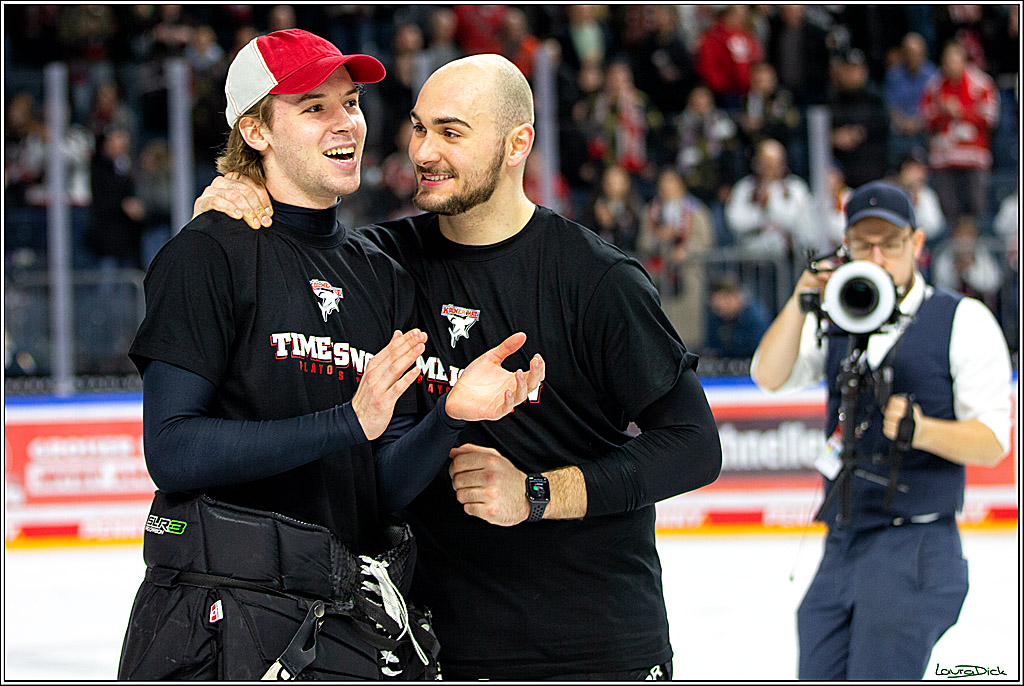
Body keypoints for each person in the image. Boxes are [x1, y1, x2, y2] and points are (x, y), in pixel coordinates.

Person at [194, 53, 723, 681]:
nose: (424, 151)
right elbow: (280, 253)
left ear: (516, 144)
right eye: (418, 128)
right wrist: (233, 198)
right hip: (433, 650)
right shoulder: (380, 264)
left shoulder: (596, 280)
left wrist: (537, 494)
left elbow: (694, 447)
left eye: (451, 132)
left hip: (591, 649)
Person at [118, 30, 544, 681]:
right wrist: (345, 421)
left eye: (349, 102)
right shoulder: (208, 254)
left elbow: (378, 485)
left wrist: (450, 417)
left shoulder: (379, 273)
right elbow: (172, 451)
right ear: (257, 131)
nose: (347, 121)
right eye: (315, 107)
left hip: (337, 624)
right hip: (218, 624)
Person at [750, 181, 1012, 680]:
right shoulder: (837, 317)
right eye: (863, 244)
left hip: (914, 543)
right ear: (845, 247)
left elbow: (994, 441)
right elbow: (769, 375)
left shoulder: (962, 319)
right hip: (841, 542)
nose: (876, 255)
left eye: (889, 244)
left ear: (915, 244)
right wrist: (804, 295)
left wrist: (923, 430)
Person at [920, 41, 1000, 227]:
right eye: (947, 62)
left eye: (955, 61)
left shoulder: (981, 83)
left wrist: (960, 111)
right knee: (949, 214)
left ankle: (980, 255)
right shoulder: (935, 85)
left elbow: (991, 117)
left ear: (964, 61)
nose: (951, 66)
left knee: (978, 211)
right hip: (944, 159)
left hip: (973, 158)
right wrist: (943, 111)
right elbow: (925, 116)